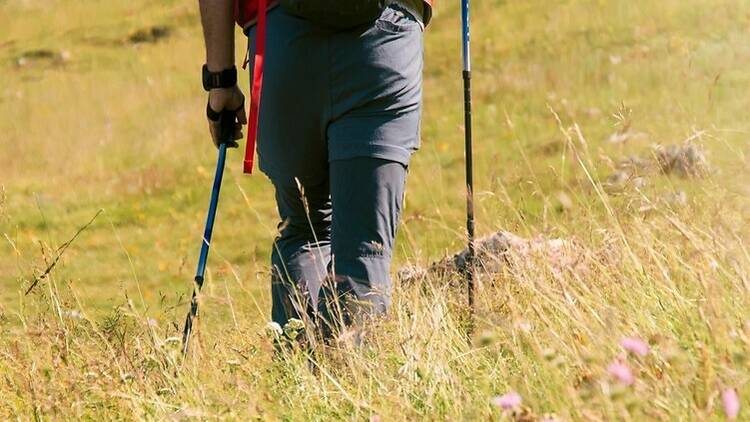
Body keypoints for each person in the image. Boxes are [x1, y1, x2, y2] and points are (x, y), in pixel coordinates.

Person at [198, 0, 432, 342]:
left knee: (305, 230)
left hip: (284, 41)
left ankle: (300, 384)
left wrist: (220, 80)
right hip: (387, 39)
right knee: (364, 246)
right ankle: (353, 382)